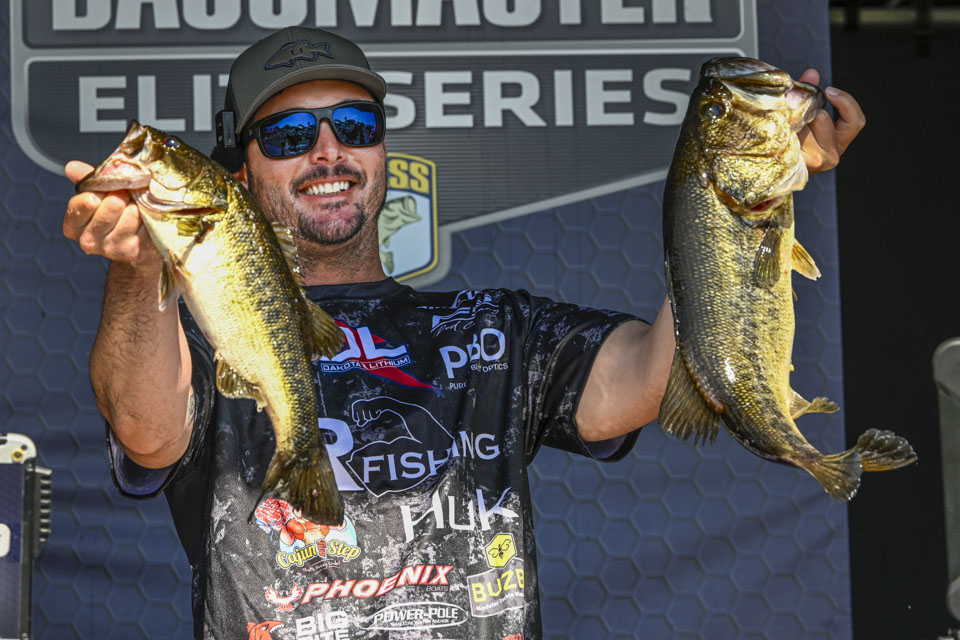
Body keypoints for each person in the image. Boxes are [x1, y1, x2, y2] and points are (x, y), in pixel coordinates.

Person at [62, 26, 865, 640]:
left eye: (355, 124)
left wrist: (744, 189)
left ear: (383, 149)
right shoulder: (203, 340)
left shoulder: (492, 329)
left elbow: (648, 377)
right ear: (240, 170)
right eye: (289, 136)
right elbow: (146, 429)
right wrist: (137, 268)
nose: (329, 153)